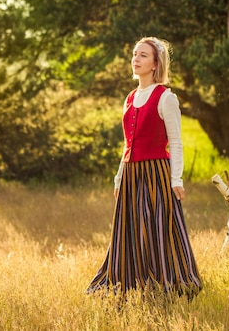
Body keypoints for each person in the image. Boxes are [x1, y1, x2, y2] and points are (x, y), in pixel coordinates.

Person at [86, 36, 202, 297]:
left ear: (155, 64)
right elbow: (128, 143)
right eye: (135, 54)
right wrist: (118, 178)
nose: (135, 59)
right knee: (129, 230)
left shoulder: (165, 98)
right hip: (131, 173)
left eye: (143, 56)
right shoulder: (130, 97)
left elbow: (176, 142)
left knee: (156, 227)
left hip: (155, 173)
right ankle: (132, 282)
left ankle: (166, 282)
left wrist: (177, 180)